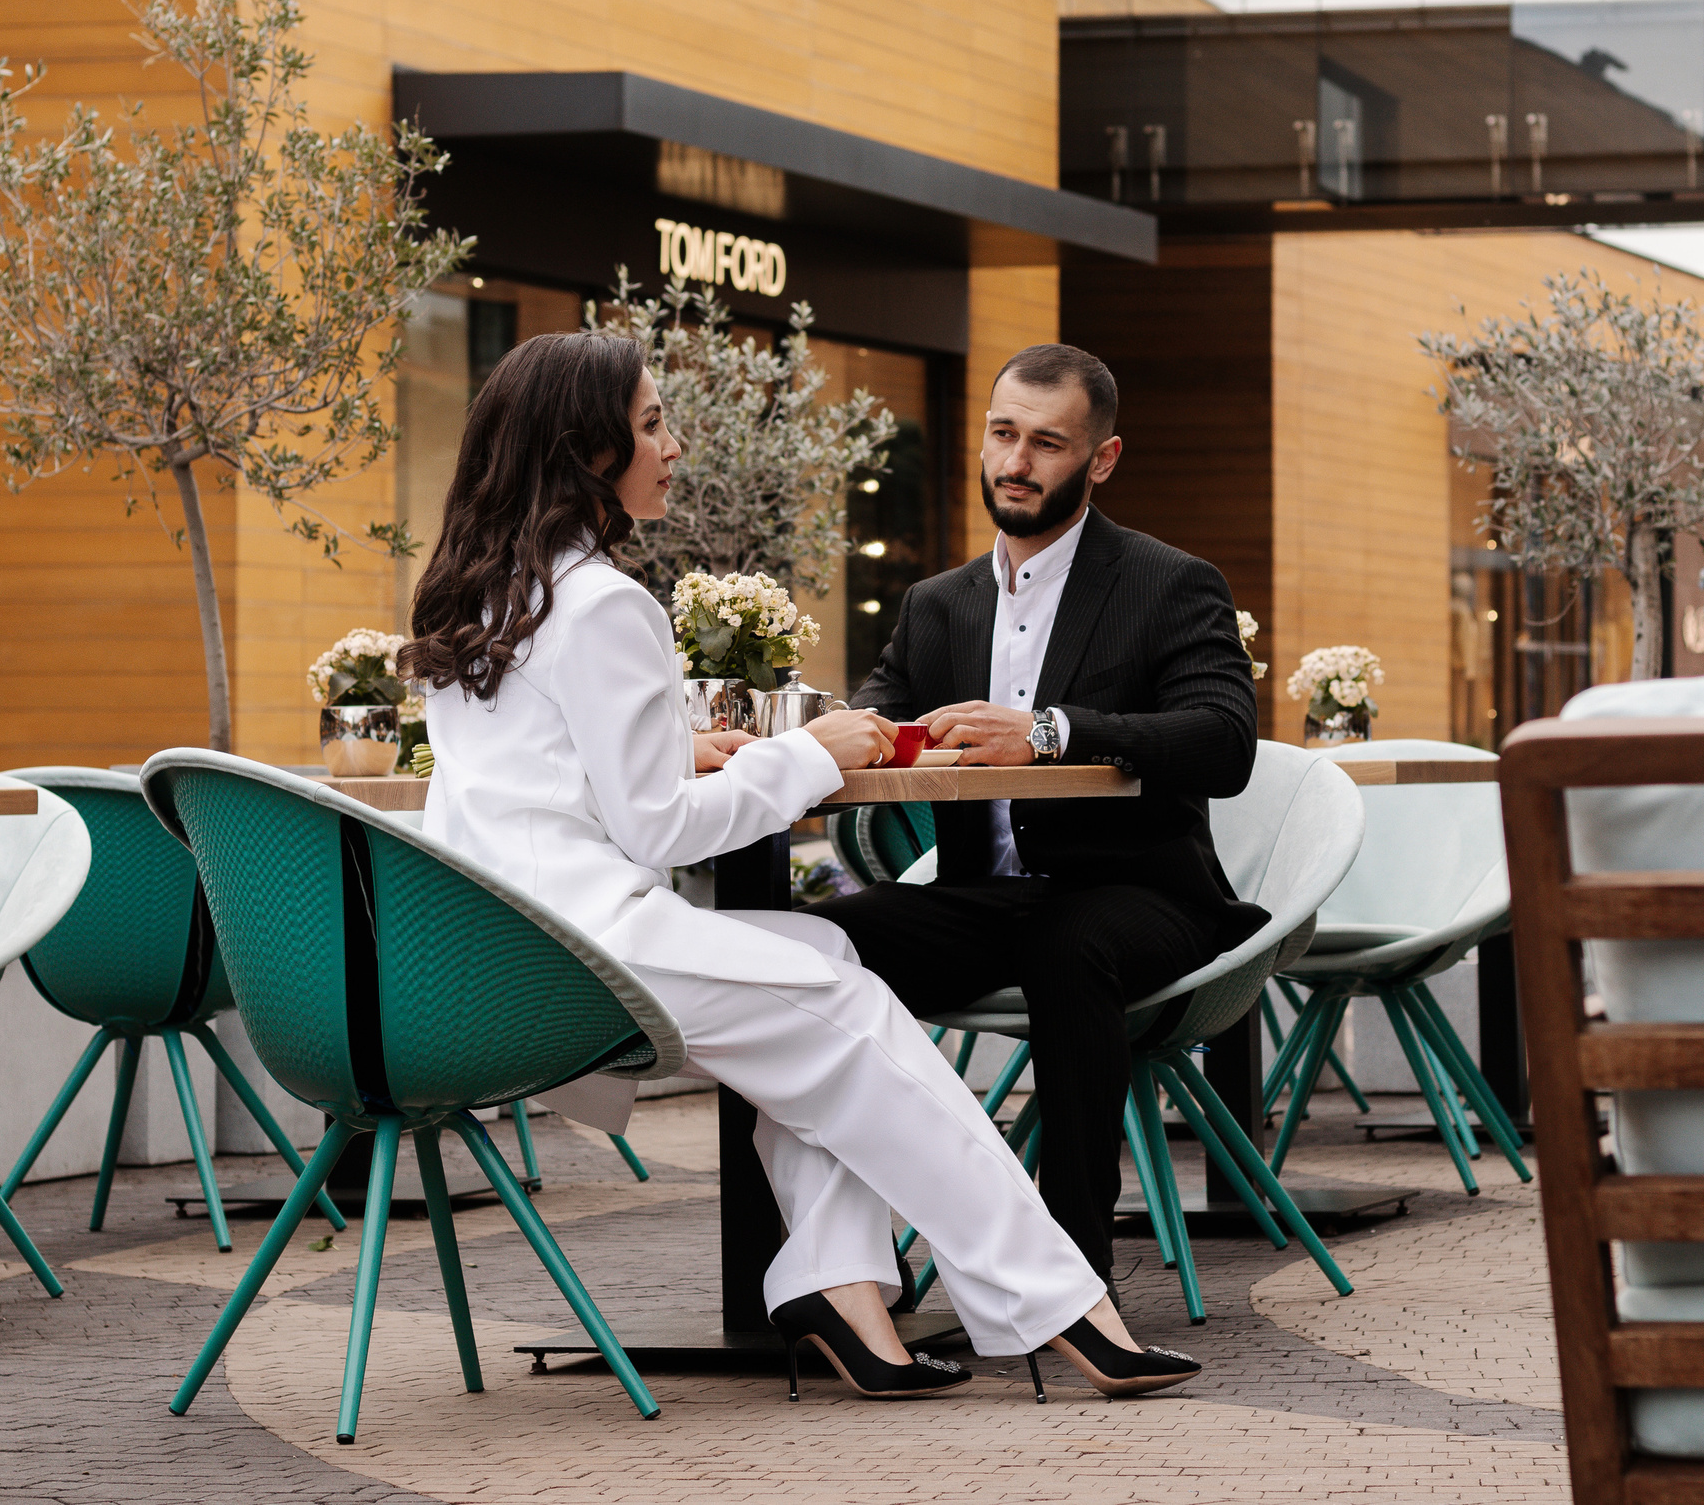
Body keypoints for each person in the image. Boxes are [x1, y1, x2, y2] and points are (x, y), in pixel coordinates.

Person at [402, 330, 1198, 1401]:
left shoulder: (485, 591)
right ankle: (1066, 1307)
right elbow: (660, 835)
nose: (673, 445)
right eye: (650, 424)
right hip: (589, 947)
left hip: (495, 943)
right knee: (854, 1016)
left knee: (826, 953)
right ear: (586, 449)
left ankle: (841, 1289)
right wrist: (801, 757)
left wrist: (673, 751)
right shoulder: (604, 604)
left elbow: (535, 770)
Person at [816, 343, 1263, 1283]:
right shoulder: (938, 605)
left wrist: (1050, 731)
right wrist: (793, 740)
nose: (1015, 463)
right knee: (806, 949)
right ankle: (840, 1272)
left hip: (1144, 895)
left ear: (1100, 459)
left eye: (1047, 444)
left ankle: (1069, 1283)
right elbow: (872, 720)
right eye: (1002, 434)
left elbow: (1224, 741)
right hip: (987, 899)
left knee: (1071, 942)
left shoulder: (1170, 582)